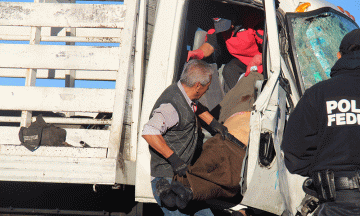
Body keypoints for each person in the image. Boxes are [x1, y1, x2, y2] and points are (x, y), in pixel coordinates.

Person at [281, 29, 360, 215]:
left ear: (339, 56)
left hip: (337, 201)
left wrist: (323, 172)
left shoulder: (318, 94)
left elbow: (294, 154)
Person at [142, 59, 228, 216]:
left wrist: (215, 124)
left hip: (183, 178)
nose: (207, 91)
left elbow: (195, 106)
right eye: (207, 87)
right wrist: (175, 160)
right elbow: (149, 131)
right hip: (167, 179)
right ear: (197, 86)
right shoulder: (171, 106)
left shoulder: (184, 93)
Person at [187, 8, 264, 93]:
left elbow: (270, 48)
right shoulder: (219, 29)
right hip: (243, 63)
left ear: (233, 18)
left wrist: (259, 58)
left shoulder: (253, 22)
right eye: (220, 25)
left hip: (262, 62)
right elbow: (209, 46)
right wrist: (196, 53)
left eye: (225, 24)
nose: (224, 29)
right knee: (228, 70)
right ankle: (242, 99)